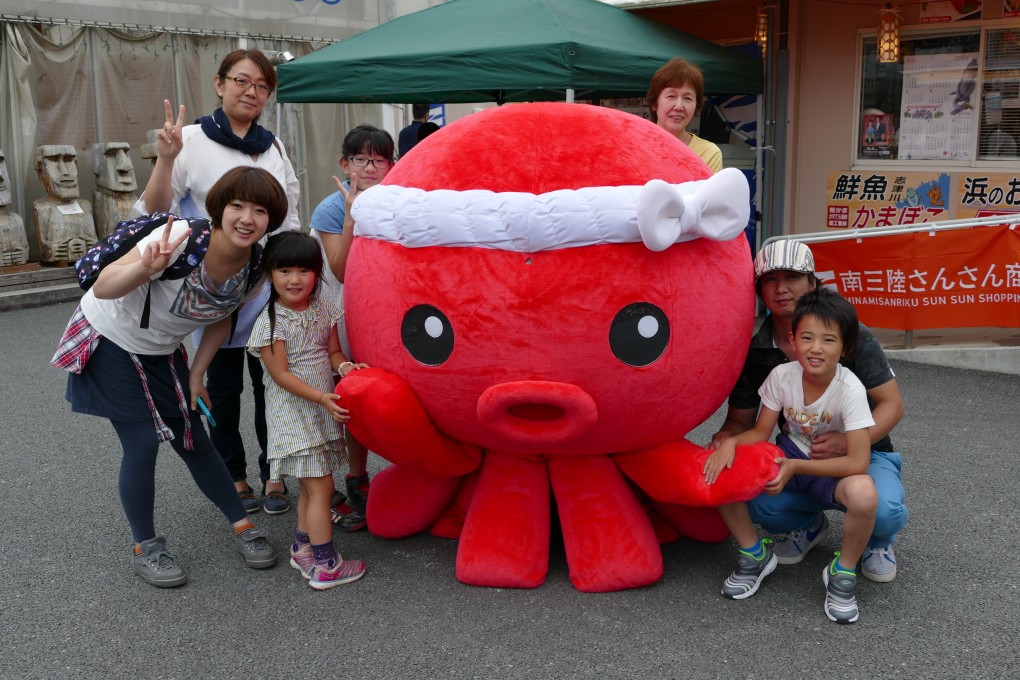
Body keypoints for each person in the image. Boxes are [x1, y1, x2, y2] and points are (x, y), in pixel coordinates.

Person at [52, 166, 286, 588]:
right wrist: (145, 268)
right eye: (237, 205)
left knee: (193, 438)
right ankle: (147, 546)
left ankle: (241, 525)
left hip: (163, 349)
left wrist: (197, 374)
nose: (247, 218)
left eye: (260, 210)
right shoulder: (178, 239)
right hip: (113, 340)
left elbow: (222, 317)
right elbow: (103, 287)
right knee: (142, 445)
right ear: (219, 208)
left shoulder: (255, 266)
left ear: (272, 218)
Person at [142, 49, 301, 515]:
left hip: (263, 283)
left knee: (274, 383)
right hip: (214, 283)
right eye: (242, 81)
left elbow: (288, 215)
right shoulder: (189, 139)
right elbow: (154, 212)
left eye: (261, 87)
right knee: (225, 387)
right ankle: (233, 473)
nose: (251, 92)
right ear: (219, 84)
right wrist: (164, 160)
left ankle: (274, 472)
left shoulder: (273, 147)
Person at [711, 240, 907, 585]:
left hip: (866, 449)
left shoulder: (849, 333)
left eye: (792, 277)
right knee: (757, 503)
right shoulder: (755, 350)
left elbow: (892, 404)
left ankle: (877, 542)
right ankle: (808, 525)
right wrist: (725, 441)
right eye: (769, 280)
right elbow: (744, 422)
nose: (781, 288)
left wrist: (849, 442)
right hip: (799, 451)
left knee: (884, 511)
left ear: (813, 282)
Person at [706, 287, 878, 624]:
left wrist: (797, 465)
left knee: (866, 495)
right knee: (725, 469)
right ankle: (754, 554)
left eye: (829, 340)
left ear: (846, 348)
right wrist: (730, 443)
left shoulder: (851, 390)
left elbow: (858, 462)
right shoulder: (781, 376)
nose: (816, 348)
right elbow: (759, 432)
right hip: (790, 454)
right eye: (808, 337)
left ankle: (842, 573)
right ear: (793, 339)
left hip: (826, 467)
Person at [247, 231, 367, 590]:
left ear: (317, 273)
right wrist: (320, 398)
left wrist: (345, 368)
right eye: (284, 271)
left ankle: (303, 548)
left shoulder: (324, 308)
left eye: (303, 270)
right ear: (270, 274)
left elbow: (333, 353)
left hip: (320, 408)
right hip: (294, 414)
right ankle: (326, 564)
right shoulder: (270, 322)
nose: (294, 279)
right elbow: (280, 375)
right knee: (322, 488)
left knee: (311, 486)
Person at [309, 124, 395, 531]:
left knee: (364, 396)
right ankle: (334, 485)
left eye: (379, 159)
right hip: (339, 316)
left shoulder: (396, 202)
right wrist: (349, 216)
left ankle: (357, 476)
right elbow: (340, 271)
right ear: (344, 164)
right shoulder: (330, 207)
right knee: (337, 397)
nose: (371, 167)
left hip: (379, 314)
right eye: (361, 159)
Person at [646, 58, 723, 173]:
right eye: (671, 96)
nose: (679, 106)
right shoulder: (634, 147)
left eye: (688, 98)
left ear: (696, 106)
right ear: (654, 103)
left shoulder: (708, 153)